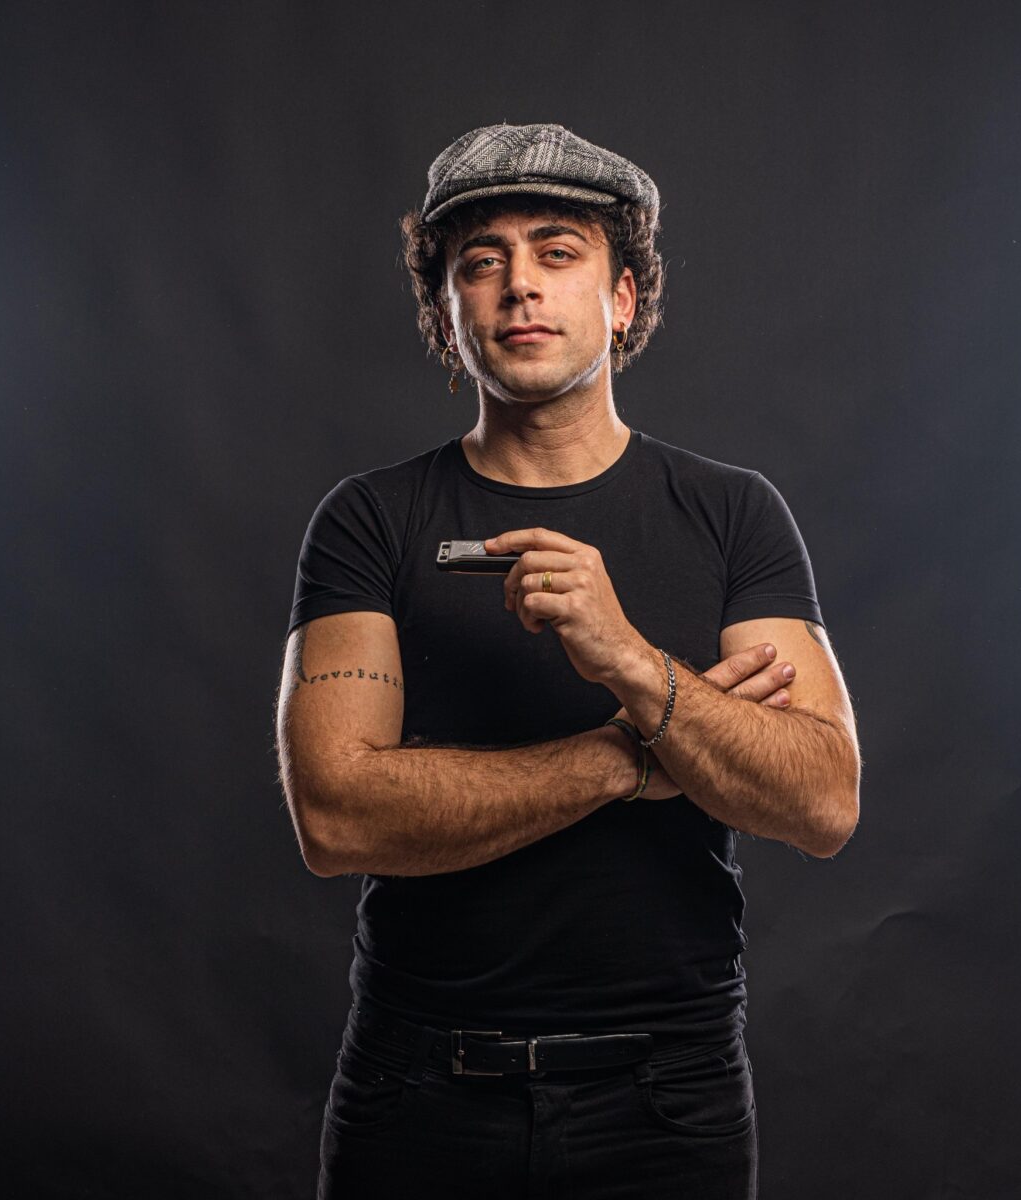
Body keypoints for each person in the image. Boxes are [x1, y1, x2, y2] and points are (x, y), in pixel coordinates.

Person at [276, 123, 860, 1200]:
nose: (519, 287)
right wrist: (629, 758)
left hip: (669, 1095)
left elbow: (822, 800)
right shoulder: (371, 519)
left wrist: (629, 657)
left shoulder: (732, 513)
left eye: (557, 251)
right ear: (447, 313)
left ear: (622, 298)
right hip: (420, 1086)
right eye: (481, 262)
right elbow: (336, 816)